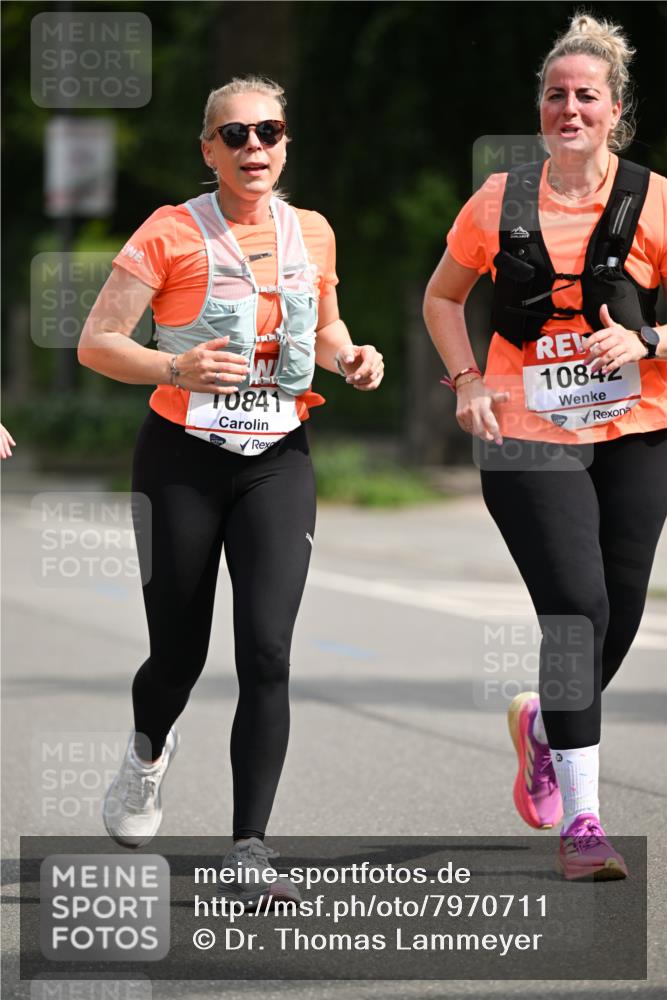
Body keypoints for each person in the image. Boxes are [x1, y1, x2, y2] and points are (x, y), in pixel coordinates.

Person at [79, 76, 384, 903]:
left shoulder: (310, 232)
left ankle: (250, 846)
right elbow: (98, 343)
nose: (256, 148)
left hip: (277, 456)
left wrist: (350, 356)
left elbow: (322, 330)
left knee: (267, 651)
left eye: (270, 132)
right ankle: (147, 755)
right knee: (178, 653)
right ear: (208, 149)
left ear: (286, 143)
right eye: (236, 135)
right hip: (180, 455)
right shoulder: (169, 231)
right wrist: (172, 364)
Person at [423, 14, 667, 880]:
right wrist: (467, 382)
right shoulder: (498, 200)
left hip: (635, 428)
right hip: (525, 430)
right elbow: (443, 299)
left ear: (615, 111)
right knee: (574, 607)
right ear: (540, 109)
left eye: (586, 97)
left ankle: (540, 727)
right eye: (556, 96)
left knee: (620, 612)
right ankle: (585, 823)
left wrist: (647, 343)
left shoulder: (654, 198)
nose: (570, 109)